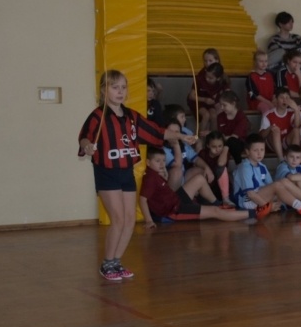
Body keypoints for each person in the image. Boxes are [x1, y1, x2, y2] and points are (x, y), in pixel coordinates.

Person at [78, 69, 197, 281]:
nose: (120, 91)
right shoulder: (97, 116)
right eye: (115, 87)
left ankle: (116, 262)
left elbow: (157, 132)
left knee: (130, 220)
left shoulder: (132, 117)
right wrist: (87, 147)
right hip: (107, 173)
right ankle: (107, 264)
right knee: (118, 218)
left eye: (123, 87)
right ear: (104, 91)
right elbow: (84, 138)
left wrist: (180, 136)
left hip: (126, 172)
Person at [139, 146, 256, 226]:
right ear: (148, 163)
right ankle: (253, 213)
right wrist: (149, 221)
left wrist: (164, 173)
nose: (162, 164)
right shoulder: (150, 178)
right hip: (173, 211)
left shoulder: (155, 174)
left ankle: (219, 204)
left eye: (163, 161)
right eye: (157, 161)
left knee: (199, 179)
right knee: (214, 212)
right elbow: (143, 199)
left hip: (176, 200)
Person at [232, 133, 301, 217]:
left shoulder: (262, 166)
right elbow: (251, 194)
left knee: (283, 182)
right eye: (255, 150)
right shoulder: (245, 167)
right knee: (279, 185)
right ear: (247, 152)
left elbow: (273, 187)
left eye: (262, 150)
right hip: (248, 201)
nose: (259, 153)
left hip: (261, 196)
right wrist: (267, 207)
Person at [260, 87, 301, 162]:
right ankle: (281, 160)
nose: (285, 100)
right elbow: (261, 136)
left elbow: (297, 126)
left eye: (287, 97)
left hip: (285, 143)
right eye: (282, 97)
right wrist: (270, 128)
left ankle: (294, 159)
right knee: (276, 129)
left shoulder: (291, 112)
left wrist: (296, 110)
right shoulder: (268, 114)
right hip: (272, 144)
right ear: (276, 99)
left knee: (296, 131)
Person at [188, 61, 228, 136]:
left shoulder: (221, 83)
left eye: (210, 78)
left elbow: (226, 95)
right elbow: (191, 96)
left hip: (209, 102)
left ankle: (214, 138)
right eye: (206, 76)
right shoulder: (199, 79)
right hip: (197, 101)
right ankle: (199, 139)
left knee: (214, 115)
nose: (207, 79)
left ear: (218, 78)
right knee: (206, 115)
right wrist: (205, 100)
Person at [197, 131, 233, 207]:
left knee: (221, 168)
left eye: (220, 146)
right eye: (214, 147)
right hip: (207, 188)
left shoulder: (224, 153)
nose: (217, 149)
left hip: (221, 189)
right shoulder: (203, 154)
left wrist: (226, 148)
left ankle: (225, 200)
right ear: (208, 145)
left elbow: (221, 164)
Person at [215, 90, 250, 165]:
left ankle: (238, 164)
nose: (221, 108)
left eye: (224, 105)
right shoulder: (220, 117)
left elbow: (235, 136)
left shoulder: (241, 117)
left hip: (238, 142)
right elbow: (221, 135)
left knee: (232, 142)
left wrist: (225, 140)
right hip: (224, 142)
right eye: (220, 105)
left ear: (233, 104)